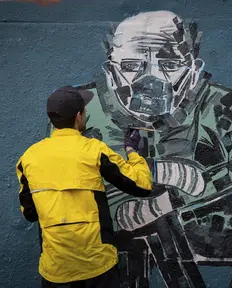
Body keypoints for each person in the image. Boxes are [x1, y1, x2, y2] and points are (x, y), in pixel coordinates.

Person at [15, 85, 152, 288]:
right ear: (79, 116)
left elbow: (30, 213)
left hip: (56, 270)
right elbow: (142, 185)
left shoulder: (28, 158)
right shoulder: (94, 150)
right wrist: (132, 151)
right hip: (97, 266)